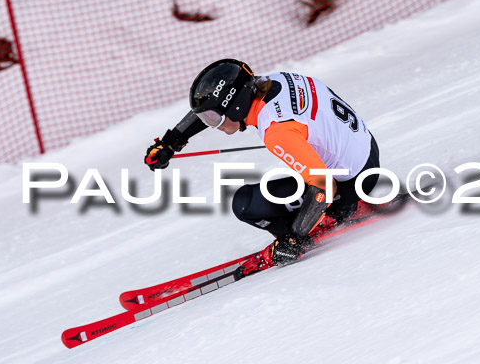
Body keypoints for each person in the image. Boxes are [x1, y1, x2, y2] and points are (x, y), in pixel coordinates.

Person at [144, 59, 379, 270]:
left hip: (352, 183)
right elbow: (218, 102)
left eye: (214, 119)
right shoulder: (274, 81)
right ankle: (320, 216)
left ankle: (329, 218)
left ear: (236, 106)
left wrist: (293, 239)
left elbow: (324, 186)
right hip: (367, 152)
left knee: (246, 204)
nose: (213, 125)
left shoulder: (276, 130)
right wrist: (172, 141)